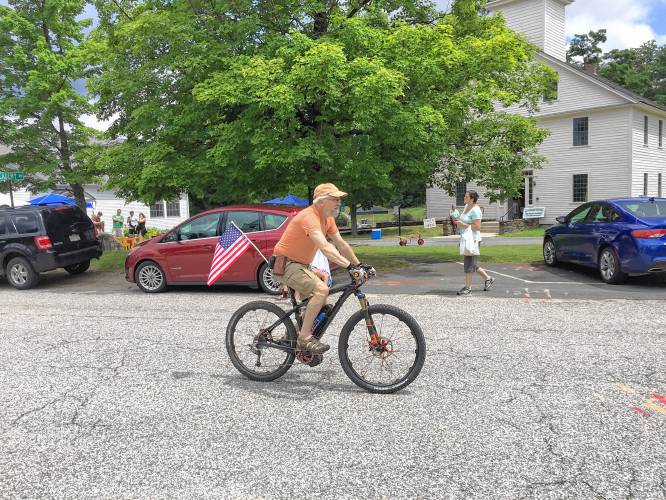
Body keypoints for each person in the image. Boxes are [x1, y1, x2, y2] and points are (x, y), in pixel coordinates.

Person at [272, 183, 362, 354]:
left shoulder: (327, 219)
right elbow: (325, 247)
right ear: (321, 201)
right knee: (321, 291)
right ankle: (304, 338)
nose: (338, 203)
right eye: (334, 199)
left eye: (339, 199)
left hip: (302, 265)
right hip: (286, 264)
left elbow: (341, 244)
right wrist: (349, 266)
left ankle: (292, 334)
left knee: (322, 303)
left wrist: (359, 265)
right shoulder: (309, 217)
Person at [453, 190, 496, 296]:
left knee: (468, 264)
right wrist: (459, 223)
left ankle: (468, 288)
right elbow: (465, 222)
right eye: (465, 195)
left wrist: (462, 224)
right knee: (472, 263)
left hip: (473, 240)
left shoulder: (476, 210)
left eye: (466, 196)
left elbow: (477, 227)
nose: (464, 197)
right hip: (466, 238)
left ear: (472, 198)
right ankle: (488, 278)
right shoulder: (466, 207)